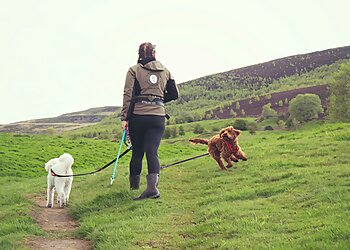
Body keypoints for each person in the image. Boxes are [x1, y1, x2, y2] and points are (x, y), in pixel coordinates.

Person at [120, 42, 179, 200]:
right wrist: (157, 99)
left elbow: (128, 94)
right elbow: (174, 94)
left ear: (139, 54)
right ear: (154, 54)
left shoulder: (133, 70)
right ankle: (152, 189)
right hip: (158, 117)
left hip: (138, 116)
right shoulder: (166, 71)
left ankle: (134, 187)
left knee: (137, 152)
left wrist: (124, 118)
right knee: (152, 151)